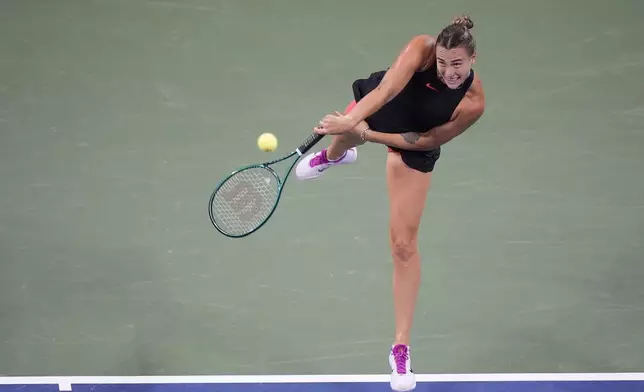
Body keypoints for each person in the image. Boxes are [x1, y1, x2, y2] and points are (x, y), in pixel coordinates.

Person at [295, 14, 486, 392]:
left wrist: (362, 130)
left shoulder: (473, 102)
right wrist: (351, 126)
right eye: (444, 62)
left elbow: (428, 141)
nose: (449, 71)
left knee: (402, 247)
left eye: (457, 64)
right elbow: (380, 96)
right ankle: (337, 155)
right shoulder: (420, 49)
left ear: (473, 61)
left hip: (413, 141)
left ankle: (401, 348)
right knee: (349, 127)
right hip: (389, 104)